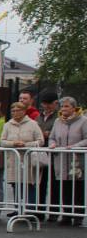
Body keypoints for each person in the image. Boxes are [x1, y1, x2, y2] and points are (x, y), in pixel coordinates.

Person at [46, 96, 86, 226]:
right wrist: (52, 144)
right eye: (62, 106)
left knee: (78, 187)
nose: (64, 109)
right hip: (61, 159)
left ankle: (78, 215)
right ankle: (67, 214)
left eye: (67, 106)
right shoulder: (58, 121)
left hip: (76, 160)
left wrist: (75, 147)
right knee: (64, 187)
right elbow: (52, 137)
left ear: (74, 108)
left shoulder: (83, 121)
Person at [0, 101, 44, 215]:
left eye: (18, 110)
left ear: (24, 111)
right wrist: (13, 143)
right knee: (15, 184)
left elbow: (41, 141)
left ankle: (30, 210)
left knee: (30, 185)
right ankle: (17, 209)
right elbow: (2, 141)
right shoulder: (7, 125)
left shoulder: (33, 124)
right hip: (14, 159)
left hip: (29, 159)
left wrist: (26, 145)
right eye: (13, 111)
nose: (15, 113)